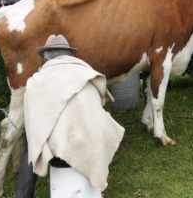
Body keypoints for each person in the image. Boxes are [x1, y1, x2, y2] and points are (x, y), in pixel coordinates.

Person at [20, 34, 124, 197]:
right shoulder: (88, 76)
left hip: (58, 157)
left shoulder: (35, 84)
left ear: (45, 60)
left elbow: (34, 136)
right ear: (71, 55)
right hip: (91, 149)